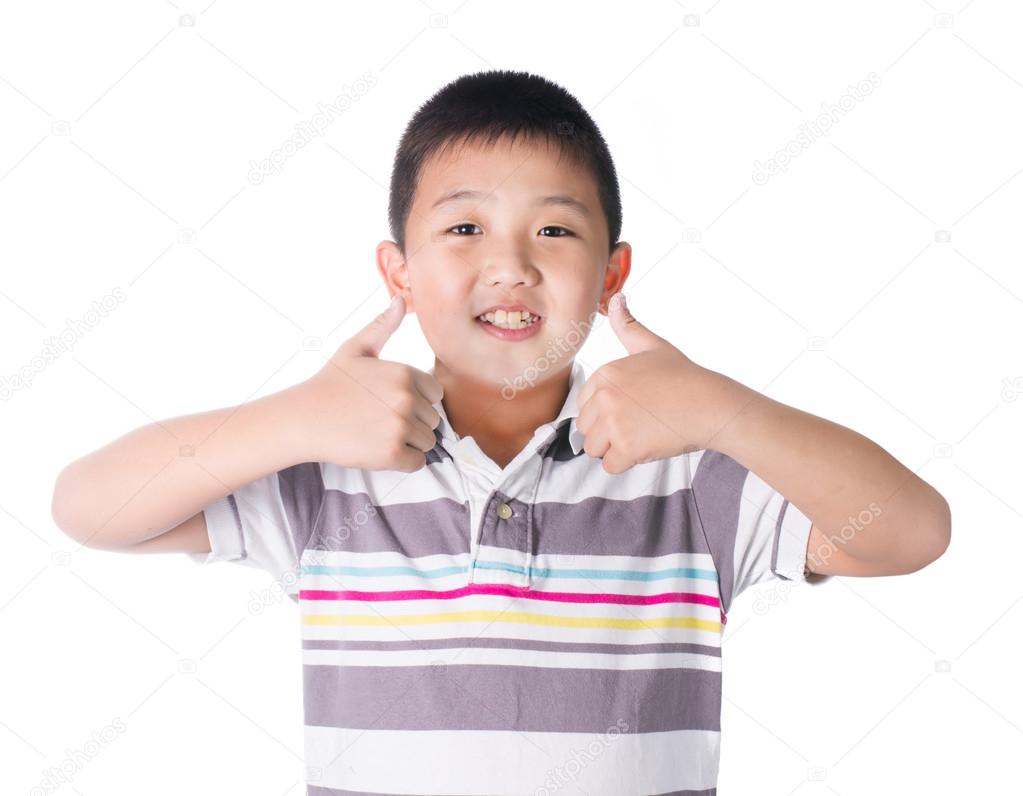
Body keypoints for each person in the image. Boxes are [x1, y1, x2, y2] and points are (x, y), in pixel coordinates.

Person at [51, 69, 951, 795]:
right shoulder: (327, 478)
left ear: (610, 277)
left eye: (554, 229)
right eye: (465, 227)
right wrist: (291, 417)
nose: (510, 266)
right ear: (397, 275)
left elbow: (911, 531)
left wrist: (723, 409)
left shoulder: (689, 482)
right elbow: (91, 511)